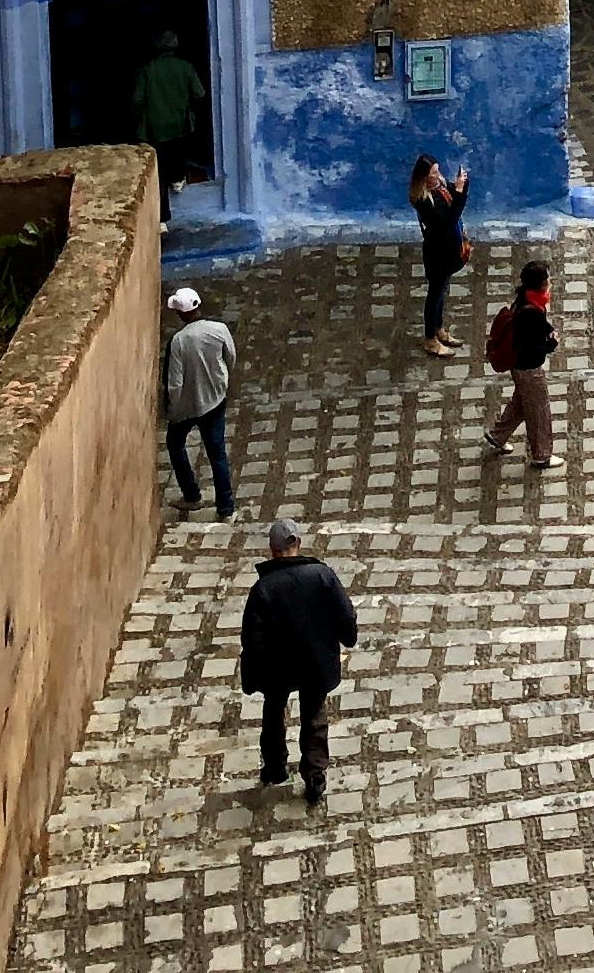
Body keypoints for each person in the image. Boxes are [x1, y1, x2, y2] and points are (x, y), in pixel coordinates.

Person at [239, 516, 357, 807]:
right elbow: (345, 615)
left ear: (272, 549)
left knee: (273, 713)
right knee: (314, 715)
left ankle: (275, 767)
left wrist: (254, 673)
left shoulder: (263, 589)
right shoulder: (321, 575)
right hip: (315, 660)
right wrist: (348, 637)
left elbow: (252, 637)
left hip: (277, 665)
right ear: (298, 544)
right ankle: (315, 775)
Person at [163, 283, 237, 520]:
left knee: (175, 444)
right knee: (217, 455)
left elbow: (175, 382)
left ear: (182, 313)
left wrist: (173, 409)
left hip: (187, 406)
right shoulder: (219, 329)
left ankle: (192, 495)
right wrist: (222, 381)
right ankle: (225, 508)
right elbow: (231, 357)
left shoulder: (179, 341)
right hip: (215, 399)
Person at [484, 257, 557, 469]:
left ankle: (498, 436)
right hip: (528, 368)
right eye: (548, 279)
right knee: (539, 410)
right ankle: (542, 455)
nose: (550, 282)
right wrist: (551, 344)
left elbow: (538, 325)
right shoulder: (532, 312)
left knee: (521, 402)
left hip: (519, 367)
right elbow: (533, 347)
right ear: (541, 284)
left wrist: (547, 330)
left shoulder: (526, 300)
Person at [133, 28, 208, 224]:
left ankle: (162, 220)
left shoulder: (148, 69)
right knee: (177, 157)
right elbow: (200, 94)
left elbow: (137, 99)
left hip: (154, 128)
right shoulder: (186, 67)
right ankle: (178, 179)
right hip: (180, 125)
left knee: (158, 173)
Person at [408, 151, 470, 357]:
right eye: (434, 172)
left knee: (442, 291)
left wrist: (461, 185)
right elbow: (447, 221)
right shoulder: (424, 200)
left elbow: (454, 198)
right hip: (438, 253)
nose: (438, 174)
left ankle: (438, 329)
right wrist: (460, 193)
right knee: (434, 295)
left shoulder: (439, 186)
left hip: (449, 248)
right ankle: (430, 339)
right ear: (425, 176)